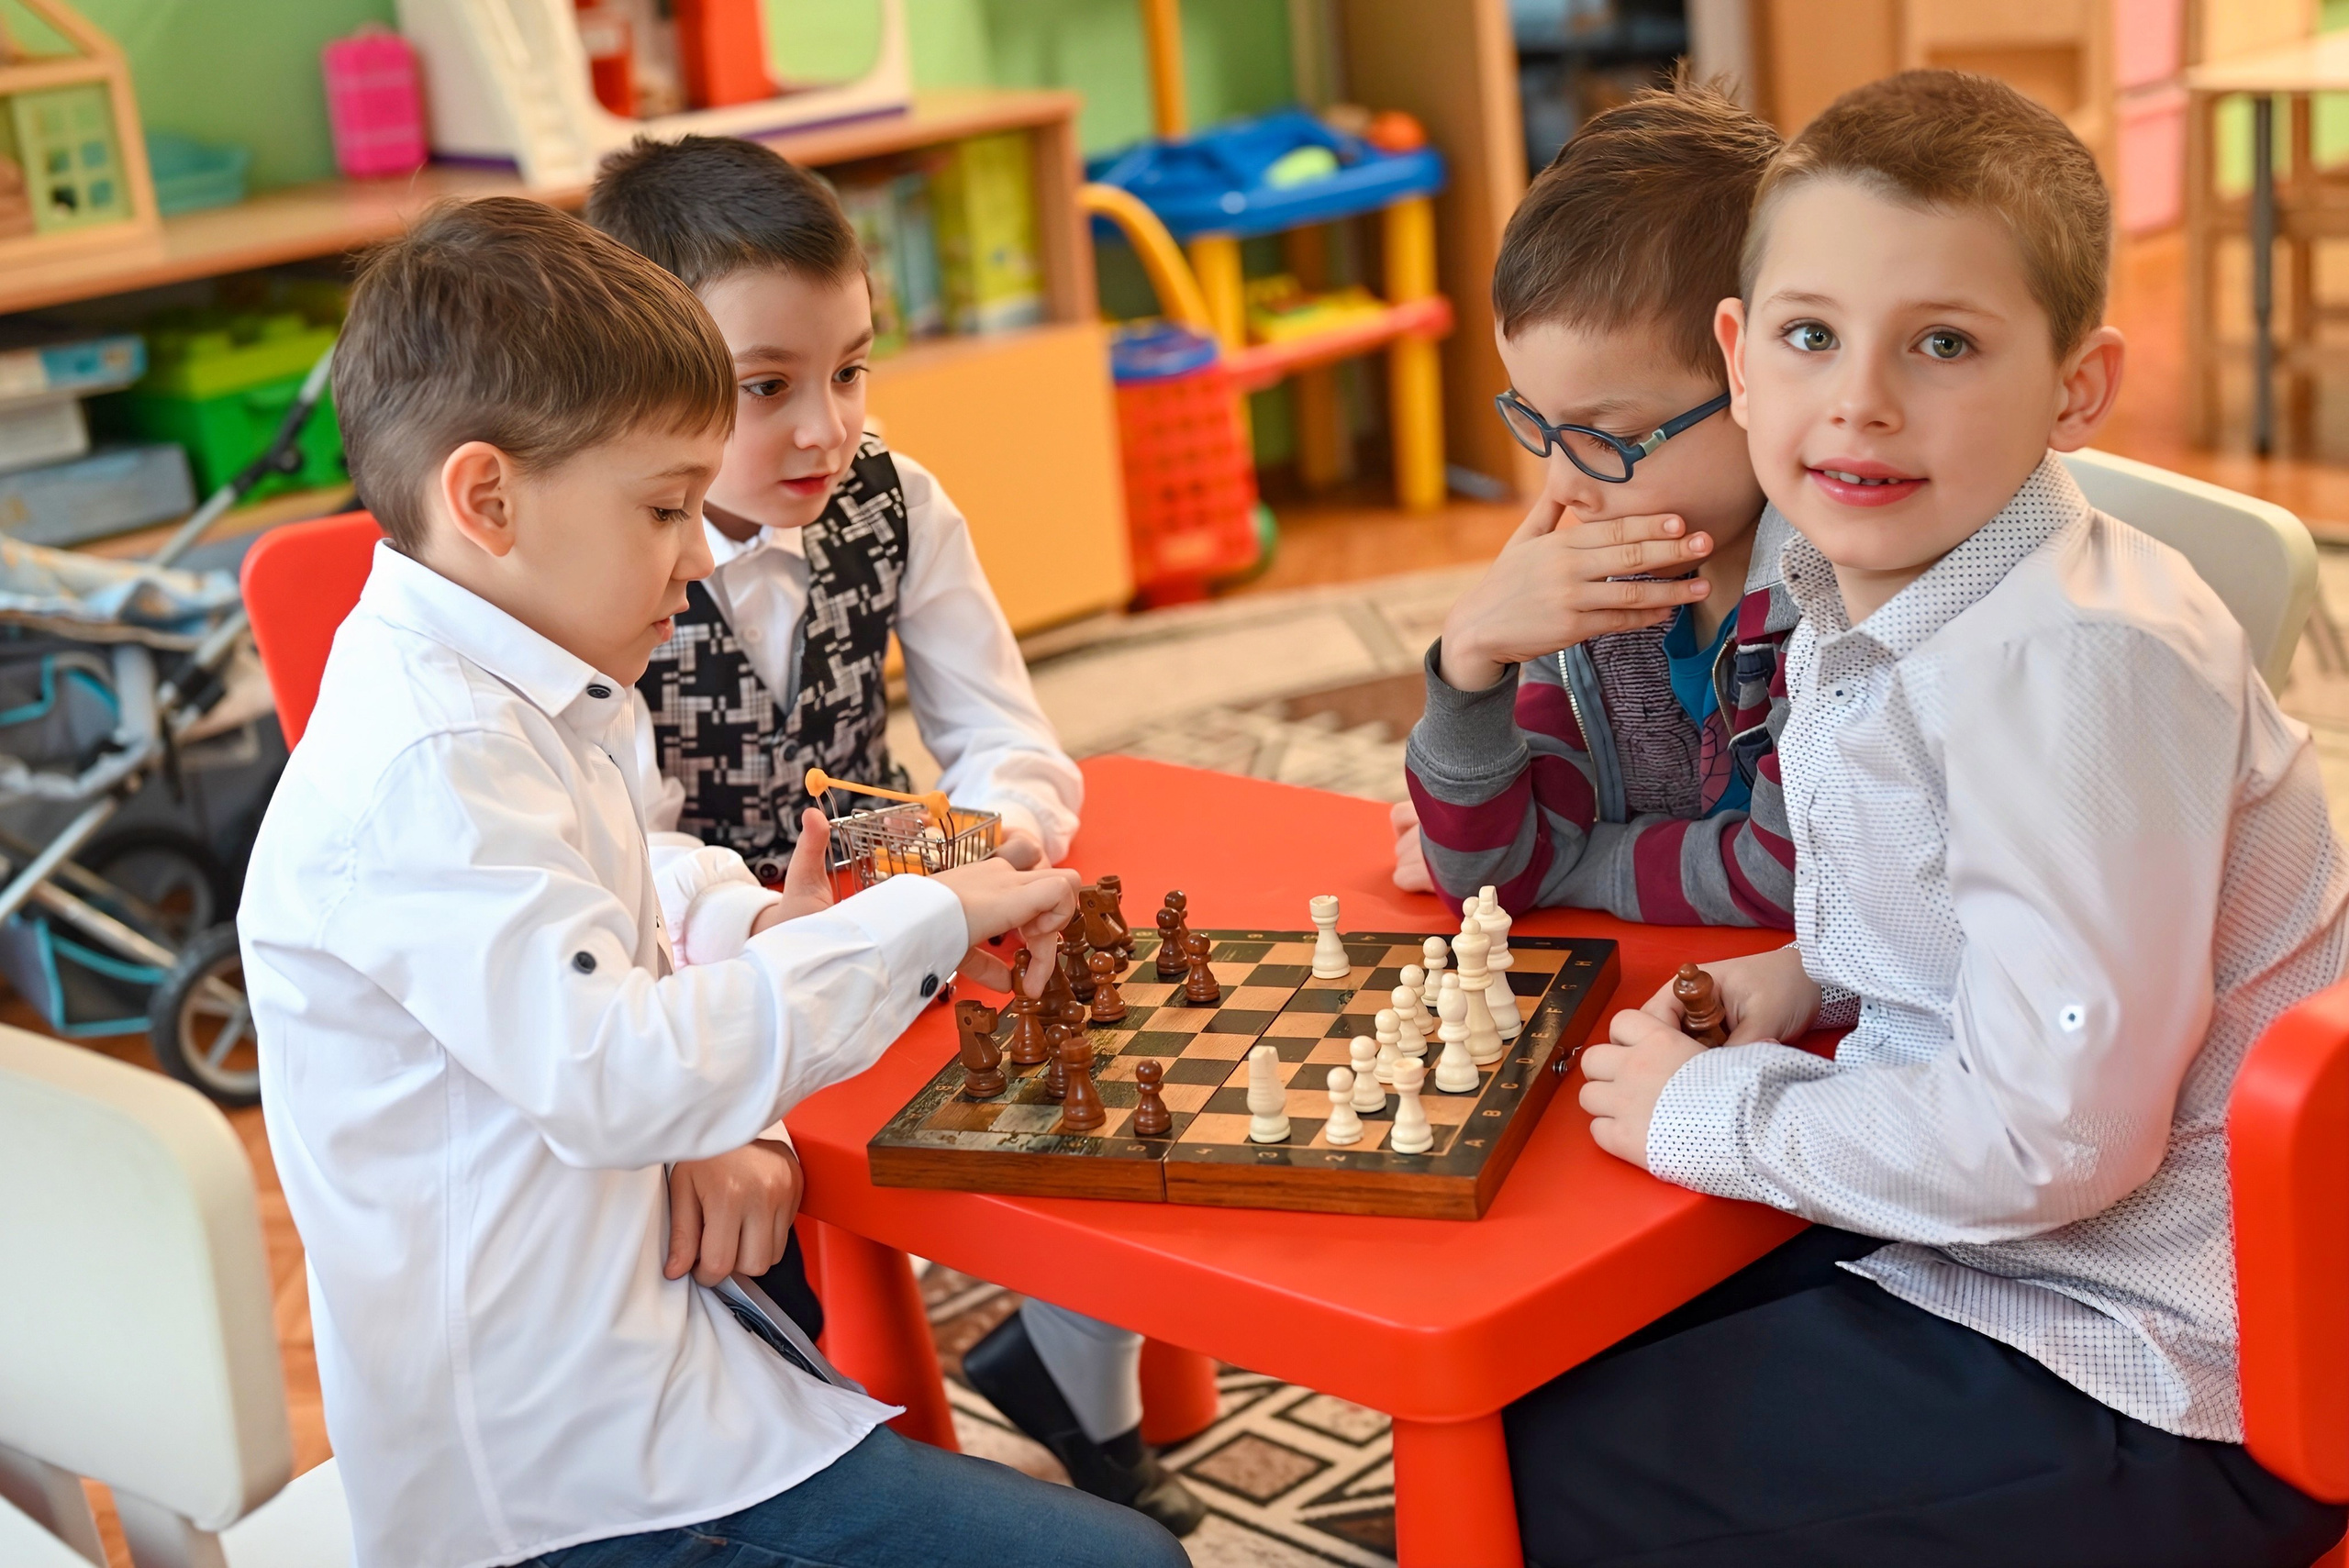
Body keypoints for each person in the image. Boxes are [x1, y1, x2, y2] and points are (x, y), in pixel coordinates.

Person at [237, 196, 1187, 1568]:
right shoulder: (432, 766)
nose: (696, 555)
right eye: (665, 508)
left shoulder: (528, 682)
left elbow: (625, 912)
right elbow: (619, 1073)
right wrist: (923, 912)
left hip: (654, 1363)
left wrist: (773, 924)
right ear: (487, 499)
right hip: (564, 1479)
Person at [1510, 72, 2349, 1567]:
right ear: (1740, 358)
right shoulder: (1892, 580)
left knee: (1541, 1465)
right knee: (1556, 1344)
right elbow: (1965, 901)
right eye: (1811, 336)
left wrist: (1716, 1112)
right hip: (1999, 1247)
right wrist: (1808, 975)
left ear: (2077, 387)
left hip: (2159, 1358)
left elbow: (2056, 1134)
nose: (1861, 402)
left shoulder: (2068, 668)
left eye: (1943, 343)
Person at [585, 139, 1206, 1536]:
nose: (826, 428)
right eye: (766, 387)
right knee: (751, 1255)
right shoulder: (606, 562)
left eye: (852, 370)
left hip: (901, 917)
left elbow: (1004, 732)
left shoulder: (896, 501)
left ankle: (1083, 1386)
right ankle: (830, 1446)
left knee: (1111, 1049)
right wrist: (761, 922)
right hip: (706, 982)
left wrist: (997, 840)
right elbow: (623, 847)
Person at [1399, 83, 1798, 929]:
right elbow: (1490, 879)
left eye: (1604, 438)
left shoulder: (1835, 596)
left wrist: (1579, 861)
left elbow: (1787, 878)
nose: (1563, 486)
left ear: (1756, 380)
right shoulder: (1588, 591)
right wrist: (1471, 661)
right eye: (1537, 425)